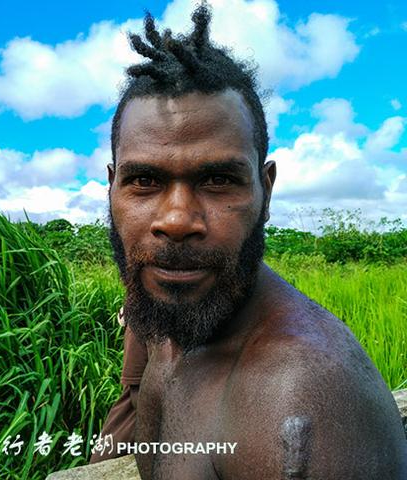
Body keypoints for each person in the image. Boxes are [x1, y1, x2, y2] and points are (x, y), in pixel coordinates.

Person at [90, 3, 407, 479]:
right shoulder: (171, 321)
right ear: (112, 187)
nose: (177, 220)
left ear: (266, 189)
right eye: (145, 181)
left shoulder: (296, 407)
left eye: (218, 179)